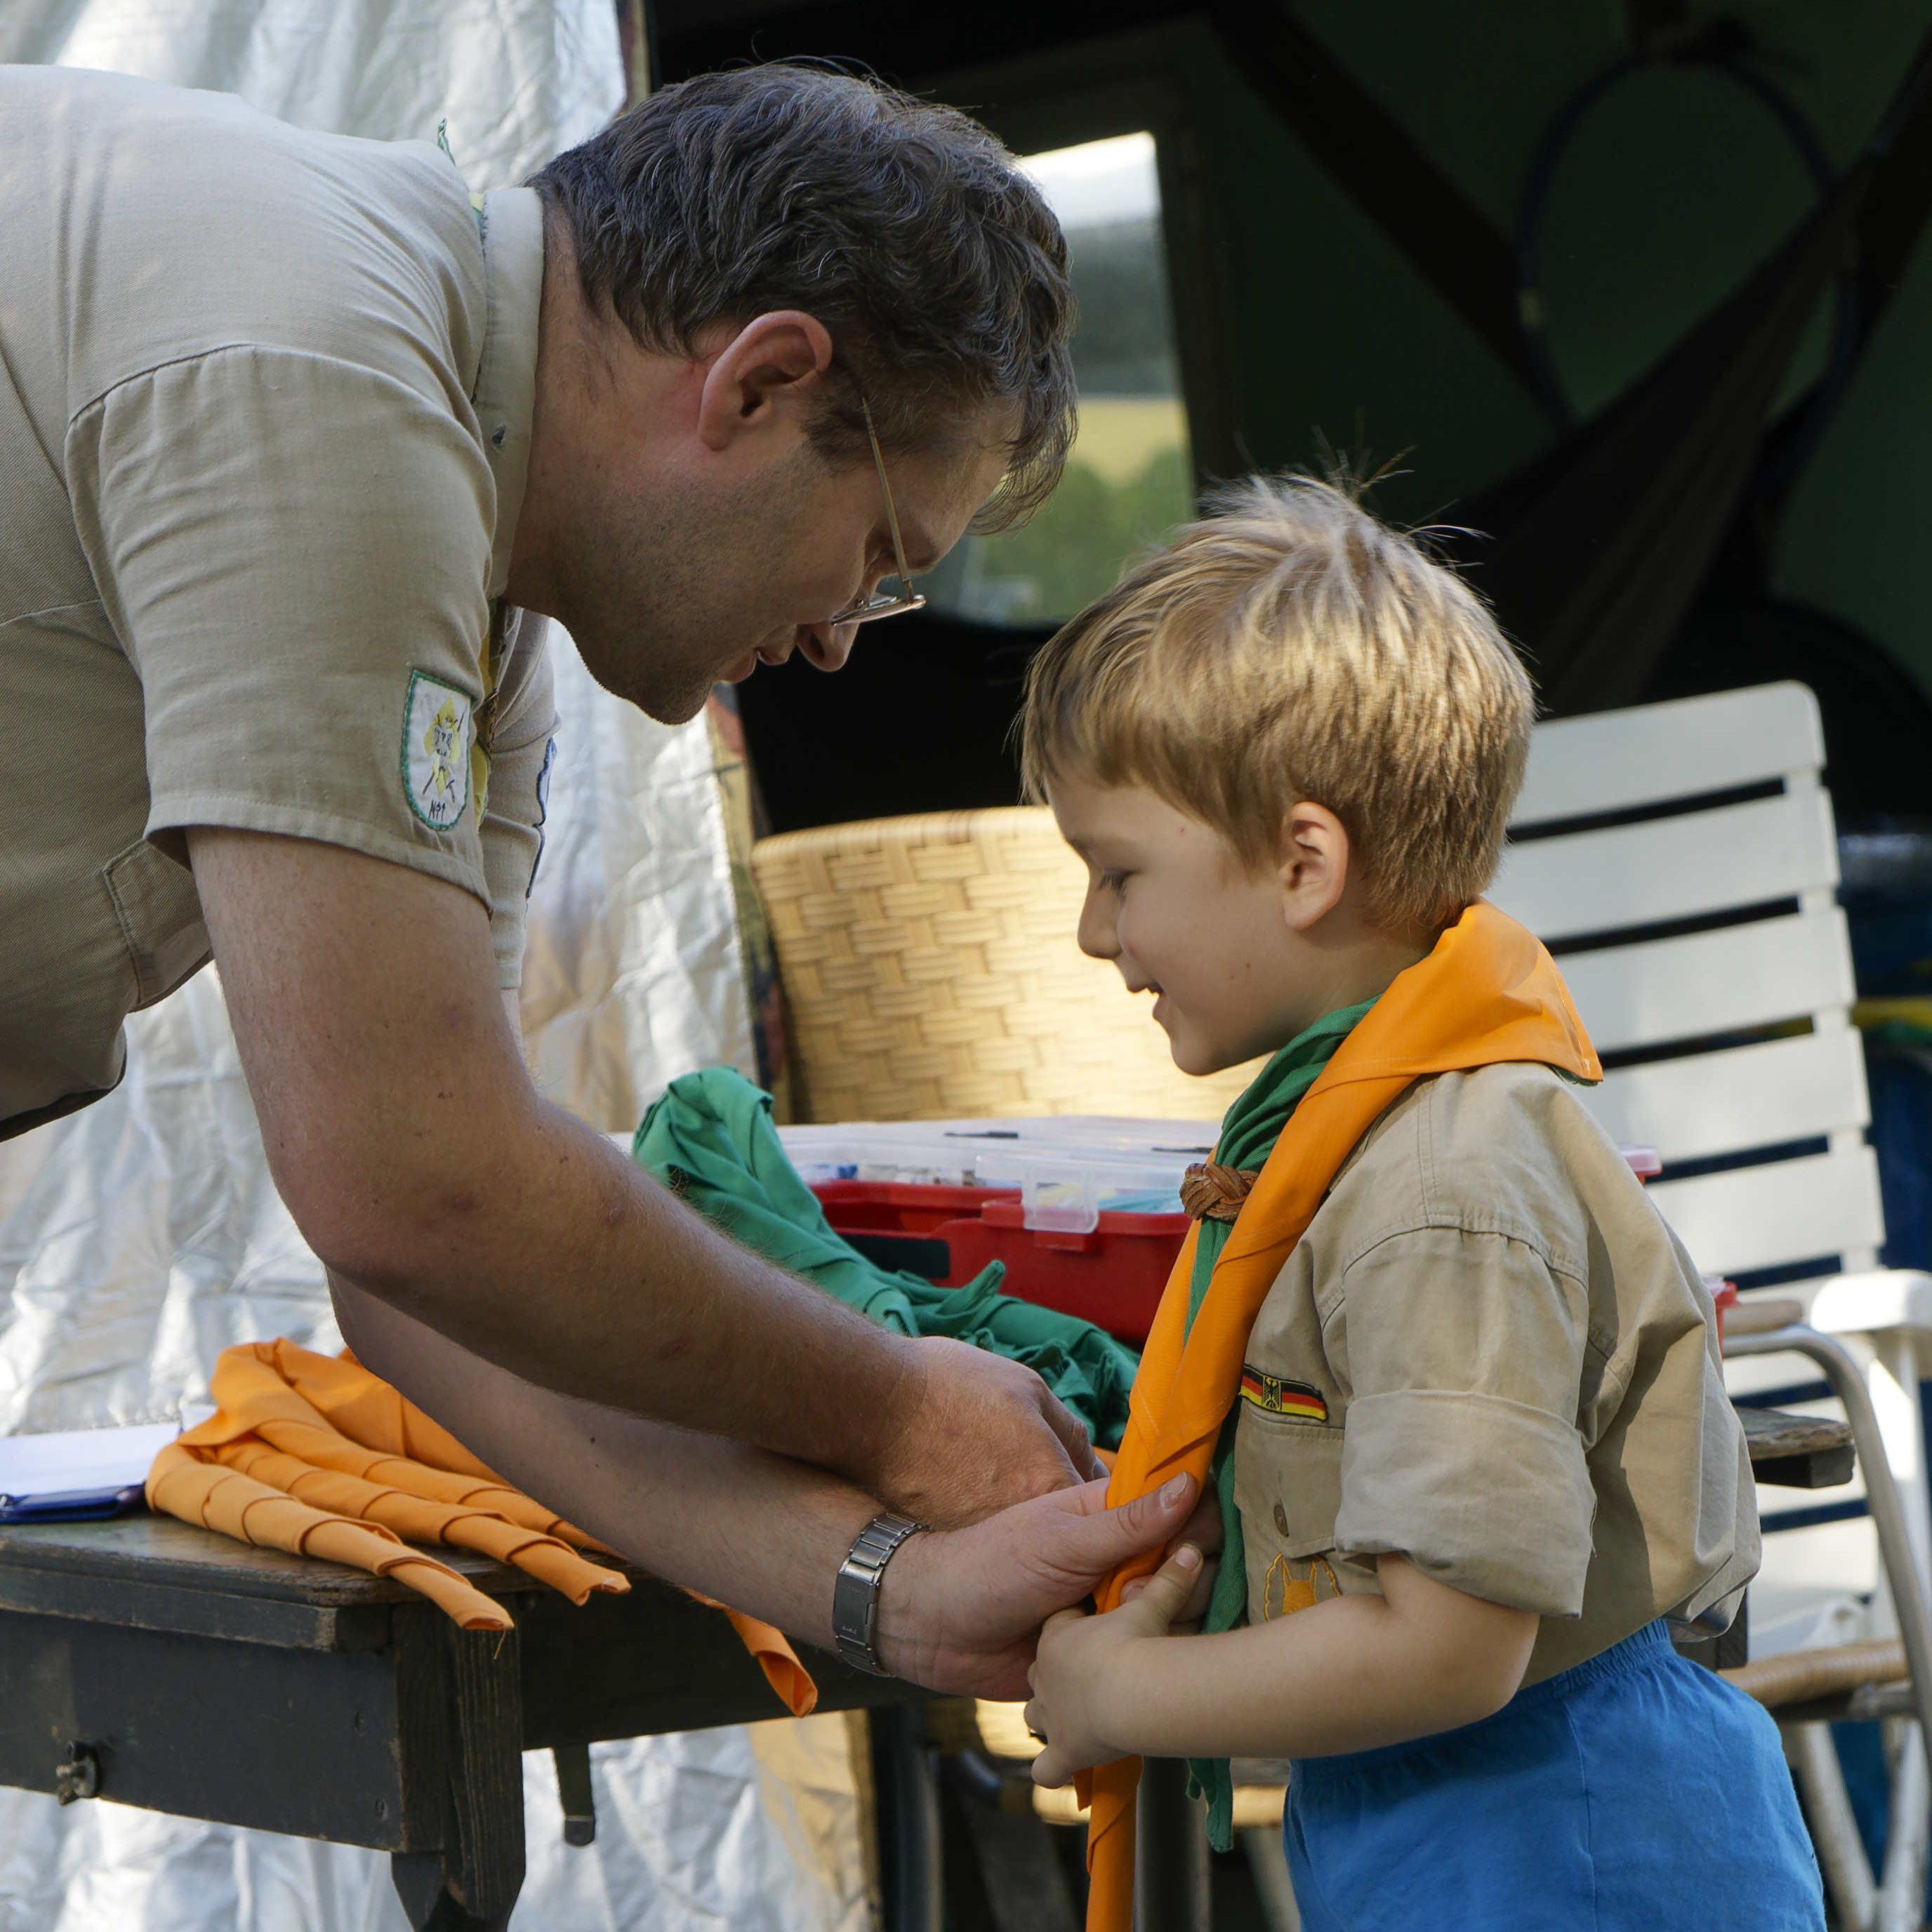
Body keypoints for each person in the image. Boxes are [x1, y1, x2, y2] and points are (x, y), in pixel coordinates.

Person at [0, 58, 1193, 1681]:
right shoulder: (327, 372)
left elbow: (415, 1276)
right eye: (878, 553)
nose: (843, 638)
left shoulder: (466, 559)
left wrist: (879, 1587)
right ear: (760, 380)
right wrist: (898, 1401)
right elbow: (415, 1180)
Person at [1012, 478, 1825, 1927]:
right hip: (1458, 1819)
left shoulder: (1436, 1192)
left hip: (1554, 1835)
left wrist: (1120, 1683)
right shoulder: (1356, 1137)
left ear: (1301, 864)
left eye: (1115, 871)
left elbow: (1448, 1648)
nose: (1093, 932)